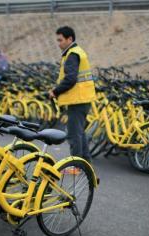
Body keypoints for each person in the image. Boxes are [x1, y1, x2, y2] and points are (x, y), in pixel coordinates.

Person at [49, 26, 96, 163]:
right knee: (79, 133)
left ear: (70, 39)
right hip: (81, 99)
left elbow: (70, 79)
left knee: (74, 134)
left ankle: (76, 165)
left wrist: (55, 91)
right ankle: (85, 162)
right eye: (57, 40)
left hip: (77, 100)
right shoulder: (77, 52)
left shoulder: (72, 54)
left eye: (61, 40)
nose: (59, 43)